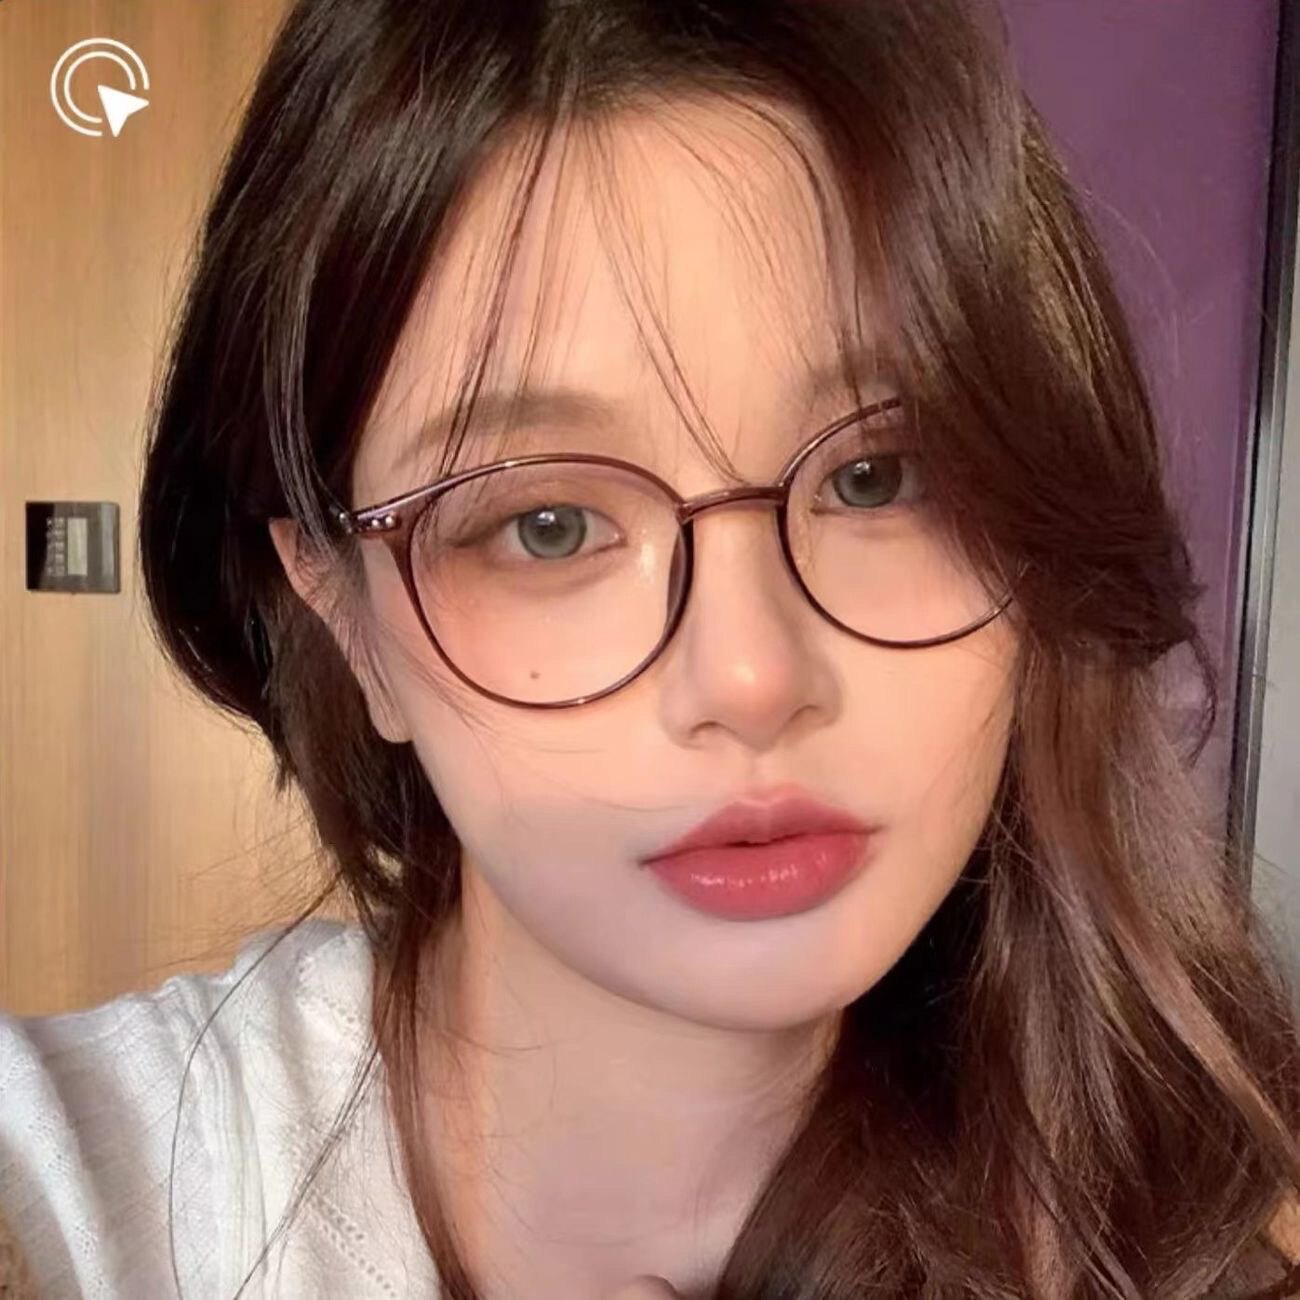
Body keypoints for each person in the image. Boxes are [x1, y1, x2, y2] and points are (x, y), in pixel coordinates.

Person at [3, 0, 1300, 1296]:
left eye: (878, 477)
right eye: (548, 524)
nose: (751, 677)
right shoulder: (87, 1187)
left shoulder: (1212, 1206)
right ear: (346, 617)